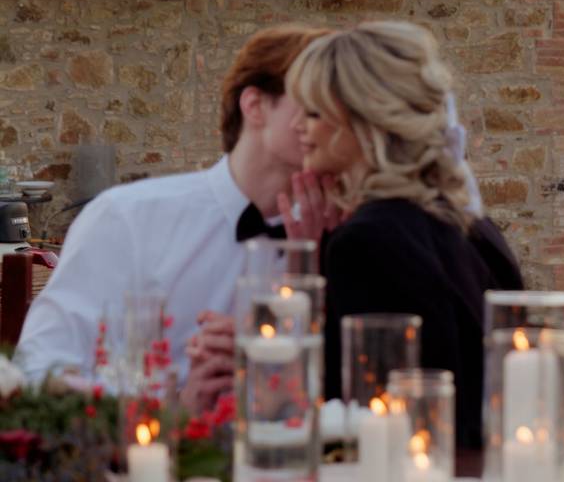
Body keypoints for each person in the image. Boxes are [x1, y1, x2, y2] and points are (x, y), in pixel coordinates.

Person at [15, 24, 333, 413]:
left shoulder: (342, 233)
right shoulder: (130, 218)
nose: (333, 121)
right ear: (255, 106)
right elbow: (40, 373)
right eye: (317, 103)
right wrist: (170, 414)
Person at [284, 21, 523, 450]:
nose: (297, 127)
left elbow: (358, 411)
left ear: (365, 122)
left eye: (314, 113)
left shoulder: (365, 244)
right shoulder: (474, 227)